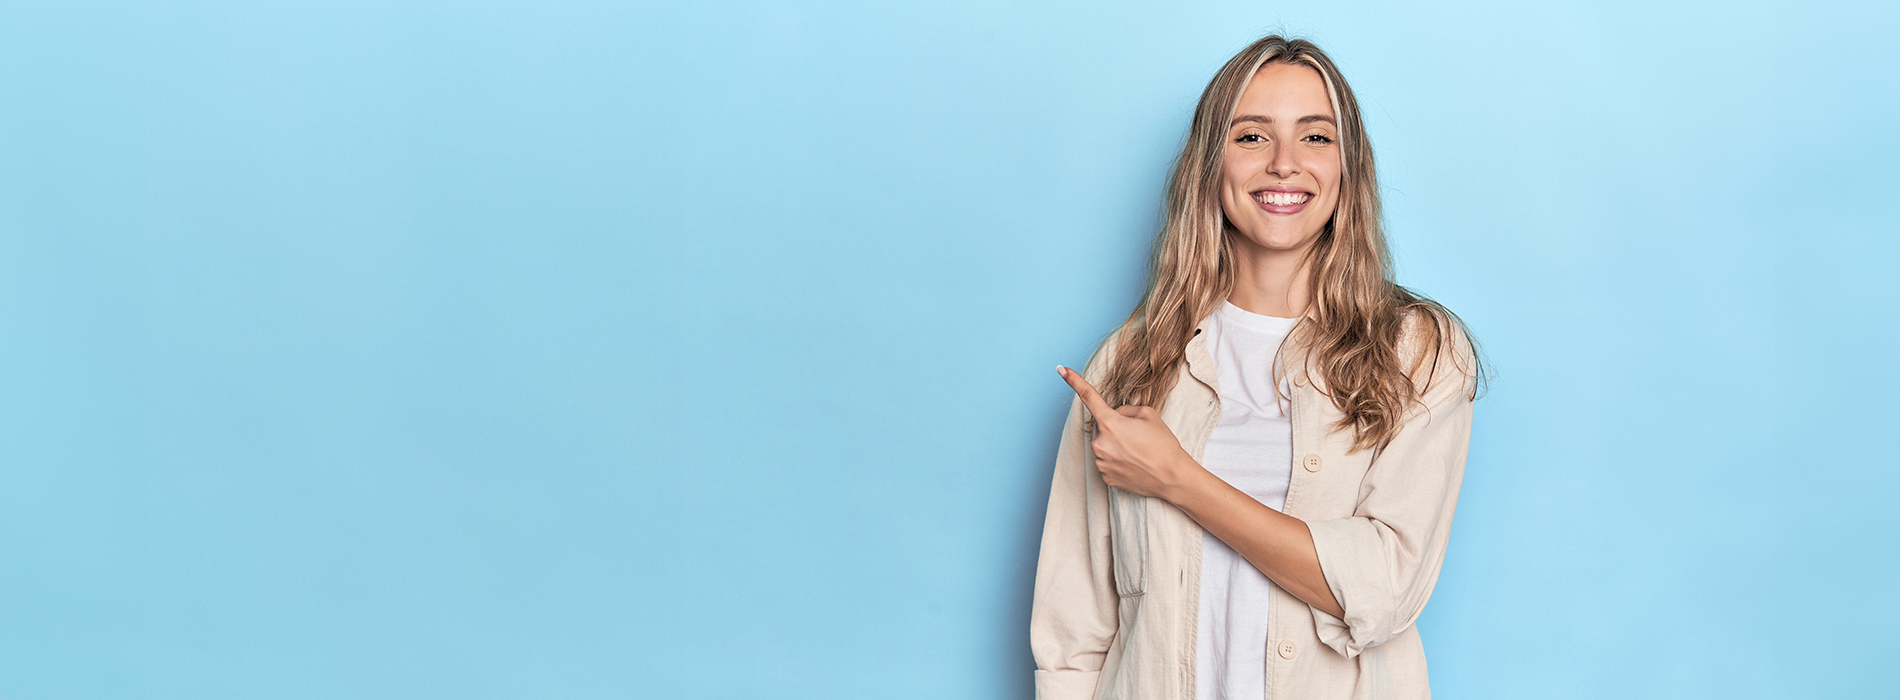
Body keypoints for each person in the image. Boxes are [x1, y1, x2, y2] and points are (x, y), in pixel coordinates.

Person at [1031, 35, 1484, 700]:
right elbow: (1072, 633)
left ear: (1347, 168)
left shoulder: (1417, 351)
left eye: (1315, 138)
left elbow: (1384, 589)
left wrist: (1178, 479)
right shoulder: (1129, 362)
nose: (1282, 165)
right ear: (1210, 164)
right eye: (1250, 137)